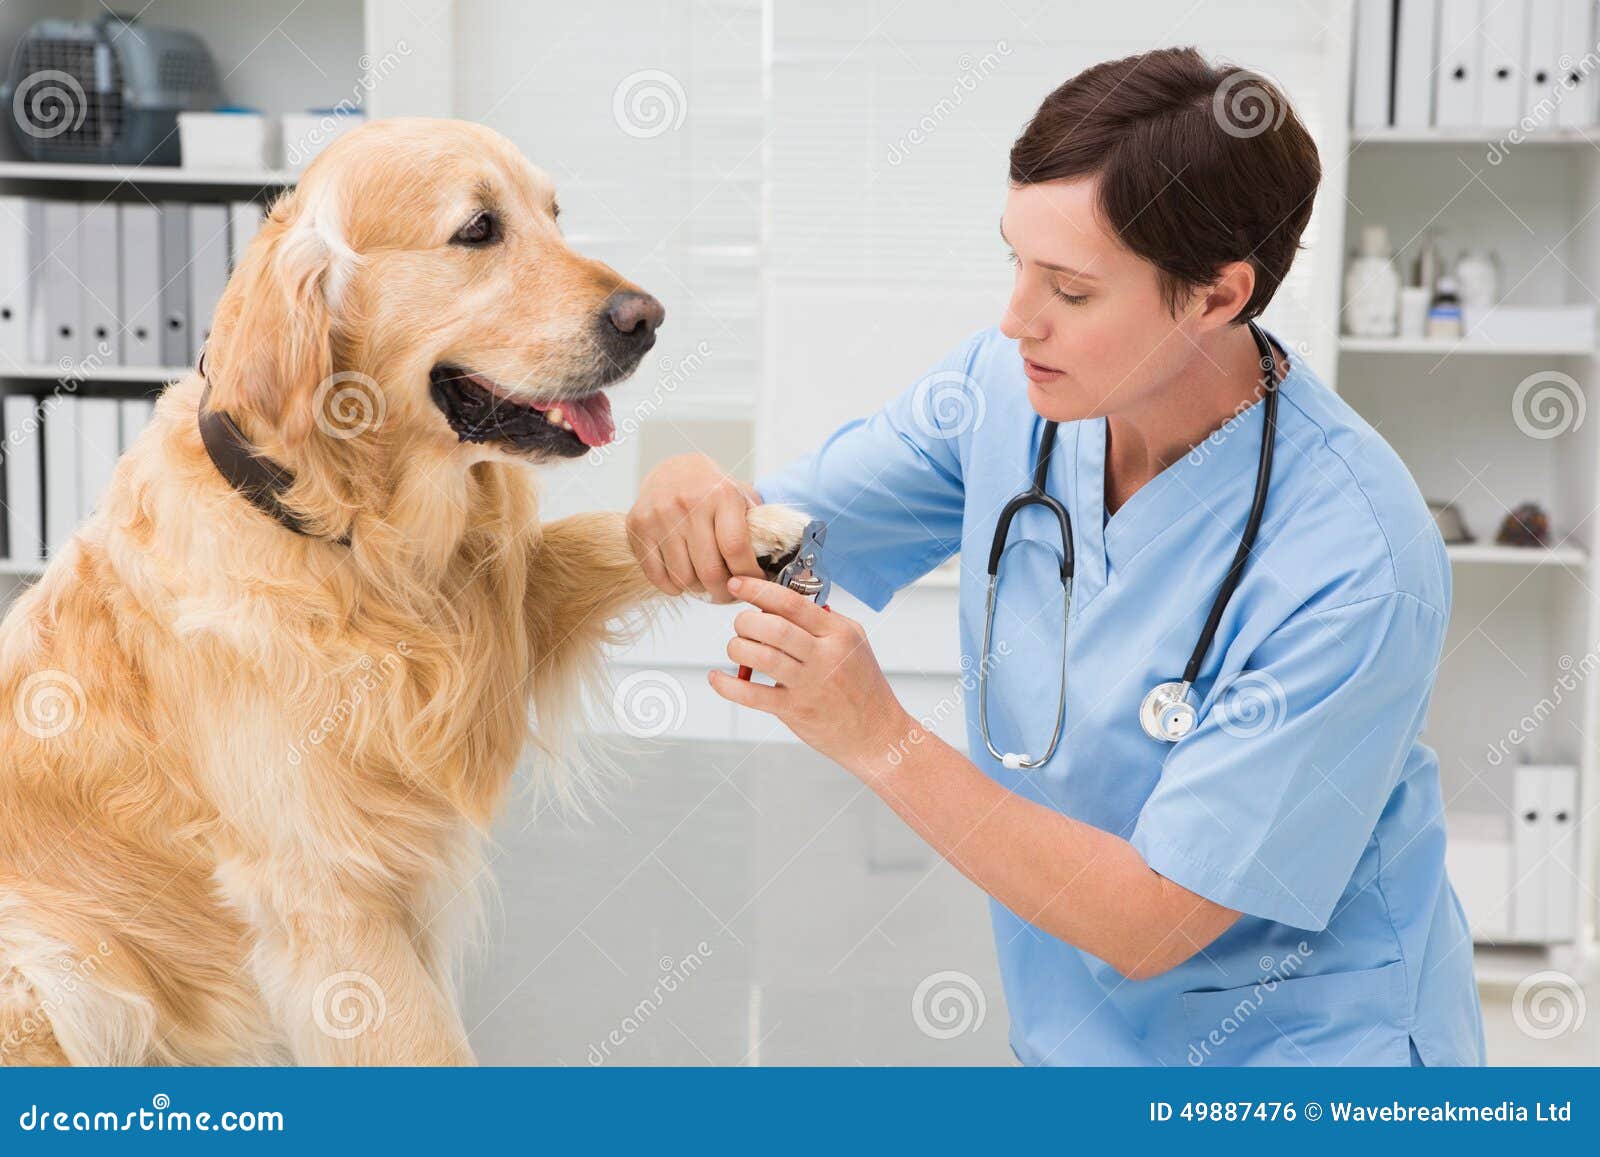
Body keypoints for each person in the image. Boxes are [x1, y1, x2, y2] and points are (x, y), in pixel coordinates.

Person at [626, 46, 1485, 1067]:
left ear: (1216, 294)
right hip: (1077, 1046)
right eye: (1015, 262)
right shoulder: (1003, 391)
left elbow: (1154, 918)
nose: (1015, 317)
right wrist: (696, 491)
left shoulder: (1355, 558)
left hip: (1309, 1064)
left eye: (1070, 290)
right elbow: (784, 534)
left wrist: (879, 737)